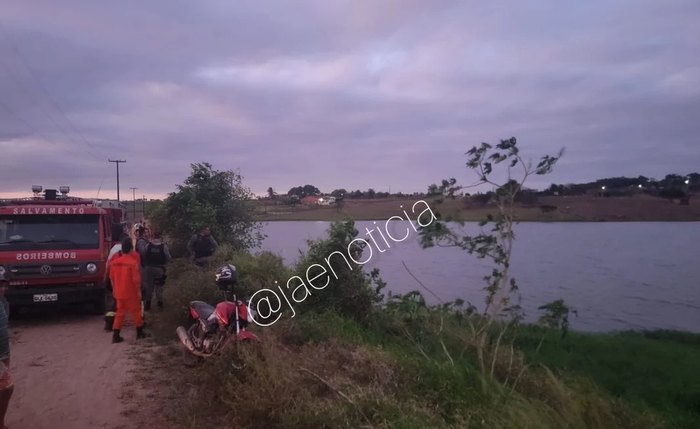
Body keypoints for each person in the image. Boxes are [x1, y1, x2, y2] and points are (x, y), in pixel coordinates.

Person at [109, 237, 148, 343]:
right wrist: (139, 292)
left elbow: (111, 278)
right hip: (131, 292)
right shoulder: (132, 262)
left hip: (119, 292)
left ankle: (115, 335)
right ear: (131, 249)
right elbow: (136, 280)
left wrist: (114, 290)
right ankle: (140, 333)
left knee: (120, 313)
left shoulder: (114, 262)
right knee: (136, 312)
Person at [142, 231, 171, 311]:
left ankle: (148, 305)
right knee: (159, 287)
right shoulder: (163, 247)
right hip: (159, 269)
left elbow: (144, 255)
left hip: (149, 269)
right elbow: (169, 258)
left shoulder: (148, 245)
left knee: (149, 287)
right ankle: (160, 304)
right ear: (160, 237)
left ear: (153, 237)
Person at [0, 273, 13, 429]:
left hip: (3, 353)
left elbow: (4, 329)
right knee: (6, 388)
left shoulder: (3, 303)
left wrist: (6, 359)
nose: (2, 288)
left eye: (3, 285)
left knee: (6, 388)